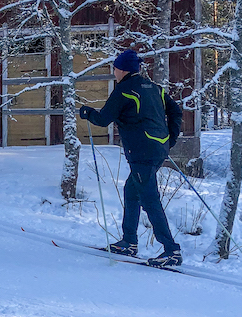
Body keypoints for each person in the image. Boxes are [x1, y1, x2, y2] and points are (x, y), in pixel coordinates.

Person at [79, 48, 184, 267]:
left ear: (122, 69)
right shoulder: (155, 88)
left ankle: (171, 250)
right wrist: (169, 140)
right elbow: (176, 111)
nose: (114, 72)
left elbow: (103, 119)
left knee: (149, 199)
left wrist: (87, 113)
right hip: (157, 150)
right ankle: (129, 242)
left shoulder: (124, 90)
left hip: (141, 153)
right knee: (131, 192)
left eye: (115, 68)